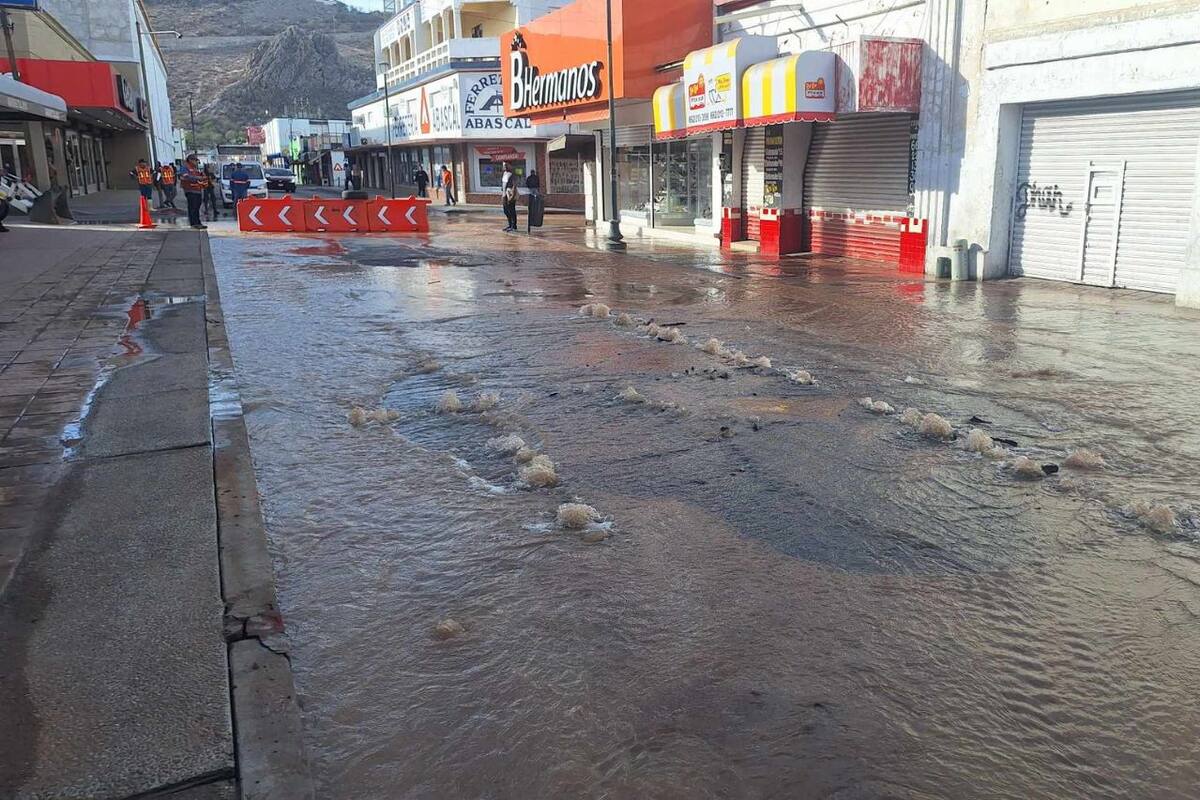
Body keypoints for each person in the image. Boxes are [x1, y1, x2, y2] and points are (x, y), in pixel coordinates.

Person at [179, 154, 209, 230]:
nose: (196, 162)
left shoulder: (195, 168)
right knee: (193, 207)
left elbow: (199, 176)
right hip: (190, 190)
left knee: (197, 207)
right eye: (195, 160)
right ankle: (194, 223)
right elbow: (186, 177)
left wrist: (203, 177)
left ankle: (198, 222)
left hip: (197, 190)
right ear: (190, 160)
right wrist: (198, 178)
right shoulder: (185, 167)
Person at [500, 162, 518, 232]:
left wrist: (512, 195)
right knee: (506, 211)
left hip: (510, 195)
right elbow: (503, 184)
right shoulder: (504, 174)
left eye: (506, 165)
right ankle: (510, 224)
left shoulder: (512, 175)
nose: (504, 166)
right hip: (504, 195)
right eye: (504, 165)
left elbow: (514, 185)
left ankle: (514, 226)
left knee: (511, 210)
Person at [524, 168, 541, 233]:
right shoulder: (531, 178)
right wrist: (529, 186)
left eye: (533, 172)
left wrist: (537, 187)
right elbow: (527, 182)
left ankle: (535, 203)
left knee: (535, 196)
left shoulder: (535, 177)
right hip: (532, 188)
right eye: (532, 172)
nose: (533, 173)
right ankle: (534, 203)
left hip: (534, 188)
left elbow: (538, 182)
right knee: (533, 196)